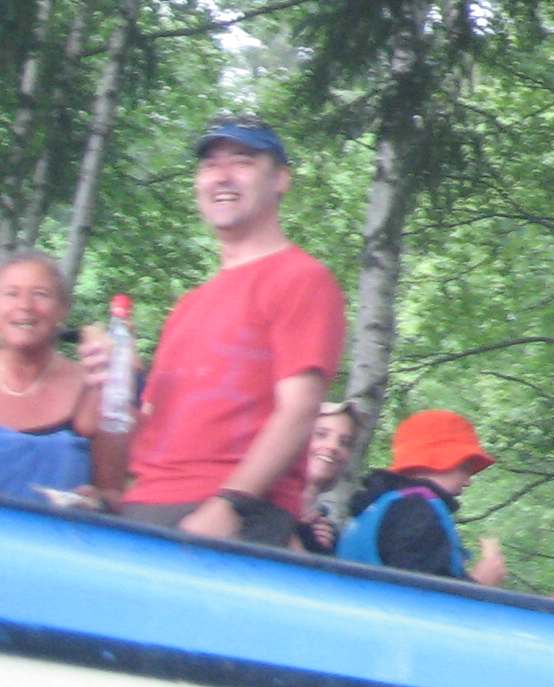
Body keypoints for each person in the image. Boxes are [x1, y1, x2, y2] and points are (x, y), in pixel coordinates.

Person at [97, 119, 347, 547]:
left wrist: (231, 504)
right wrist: (109, 385)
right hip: (145, 508)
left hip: (232, 514)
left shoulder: (301, 279)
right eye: (211, 164)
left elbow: (300, 410)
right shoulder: (188, 305)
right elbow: (145, 430)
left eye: (242, 161)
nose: (222, 176)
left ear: (280, 179)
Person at [0, 252, 127, 503]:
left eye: (40, 294)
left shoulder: (93, 383)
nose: (25, 306)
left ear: (62, 309)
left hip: (55, 528)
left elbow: (113, 495)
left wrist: (96, 501)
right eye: (11, 294)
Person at [337, 408, 510, 584]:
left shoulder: (379, 505)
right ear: (439, 459)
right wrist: (479, 582)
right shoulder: (416, 510)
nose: (468, 481)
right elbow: (420, 594)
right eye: (465, 468)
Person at [295, 399, 364, 553]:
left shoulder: (327, 534)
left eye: (344, 442)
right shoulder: (260, 503)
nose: (333, 446)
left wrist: (319, 549)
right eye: (321, 435)